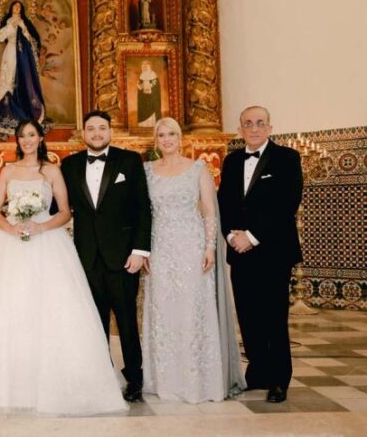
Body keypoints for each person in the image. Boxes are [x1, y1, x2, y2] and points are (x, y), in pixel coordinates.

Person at [0, 118, 127, 415]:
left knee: (50, 310)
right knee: (7, 310)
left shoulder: (52, 170)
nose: (27, 140)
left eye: (31, 135)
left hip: (46, 241)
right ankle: (7, 384)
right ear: (17, 141)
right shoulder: (8, 170)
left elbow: (65, 212)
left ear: (40, 138)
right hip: (10, 241)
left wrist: (41, 227)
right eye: (22, 136)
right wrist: (11, 227)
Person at [141, 117, 245, 403]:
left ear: (180, 138)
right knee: (163, 310)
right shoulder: (147, 171)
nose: (167, 139)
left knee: (192, 309)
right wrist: (144, 250)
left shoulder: (198, 168)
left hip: (192, 245)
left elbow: (209, 210)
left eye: (172, 134)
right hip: (160, 246)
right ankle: (165, 379)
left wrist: (210, 247)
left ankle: (198, 379)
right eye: (161, 135)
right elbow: (142, 213)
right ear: (156, 140)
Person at [61, 110, 151, 402]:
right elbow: (59, 207)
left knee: (126, 321)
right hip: (86, 258)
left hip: (123, 257)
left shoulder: (130, 161)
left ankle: (134, 379)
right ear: (83, 133)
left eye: (102, 128)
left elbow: (142, 208)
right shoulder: (69, 165)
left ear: (110, 131)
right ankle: (102, 378)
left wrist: (139, 251)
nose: (97, 133)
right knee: (93, 322)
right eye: (91, 128)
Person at [218, 106, 303, 404]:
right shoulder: (231, 161)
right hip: (240, 252)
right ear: (240, 129)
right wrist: (231, 236)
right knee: (248, 314)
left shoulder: (287, 158)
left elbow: (287, 203)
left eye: (259, 123)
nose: (254, 128)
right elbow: (224, 203)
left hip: (273, 251)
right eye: (248, 124)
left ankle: (279, 379)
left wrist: (252, 237)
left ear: (269, 127)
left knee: (274, 316)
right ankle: (258, 372)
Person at [0, 0, 46, 138]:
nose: (17, 8)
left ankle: (23, 111)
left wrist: (23, 28)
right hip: (11, 52)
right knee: (8, 80)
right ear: (11, 7)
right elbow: (0, 37)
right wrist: (11, 26)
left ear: (22, 9)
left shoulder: (25, 22)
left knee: (23, 80)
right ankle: (5, 112)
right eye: (15, 6)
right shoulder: (7, 21)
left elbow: (33, 40)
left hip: (23, 56)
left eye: (19, 6)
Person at [137, 60, 161, 127]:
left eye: (146, 65)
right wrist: (139, 86)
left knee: (152, 109)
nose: (144, 67)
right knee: (144, 109)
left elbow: (156, 87)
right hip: (144, 98)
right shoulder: (141, 75)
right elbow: (140, 88)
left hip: (152, 98)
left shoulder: (153, 75)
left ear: (149, 66)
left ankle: (153, 124)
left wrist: (150, 86)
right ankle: (144, 124)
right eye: (143, 66)